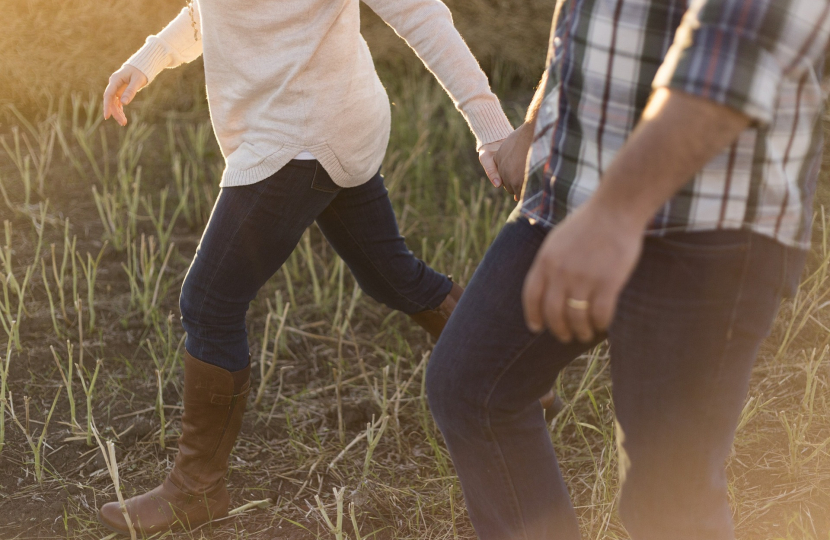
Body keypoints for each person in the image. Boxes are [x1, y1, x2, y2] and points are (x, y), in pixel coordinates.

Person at [96, 0, 523, 535]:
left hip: (300, 135)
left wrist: (492, 128)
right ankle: (510, 372)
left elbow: (419, 13)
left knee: (209, 301)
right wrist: (148, 58)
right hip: (326, 118)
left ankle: (196, 487)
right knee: (389, 274)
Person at [427, 0, 829, 538]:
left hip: (707, 220)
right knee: (472, 387)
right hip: (574, 191)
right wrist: (538, 116)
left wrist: (615, 213)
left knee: (668, 499)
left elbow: (736, 53)